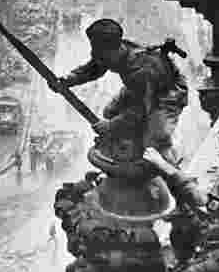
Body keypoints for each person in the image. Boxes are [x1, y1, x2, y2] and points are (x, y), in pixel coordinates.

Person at [56, 19, 188, 165]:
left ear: (114, 48)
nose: (98, 56)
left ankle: (170, 166)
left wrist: (110, 126)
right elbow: (94, 68)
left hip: (166, 93)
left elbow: (140, 110)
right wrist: (68, 80)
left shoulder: (140, 70)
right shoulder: (108, 50)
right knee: (110, 111)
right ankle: (131, 149)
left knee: (156, 138)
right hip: (139, 88)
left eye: (102, 54)